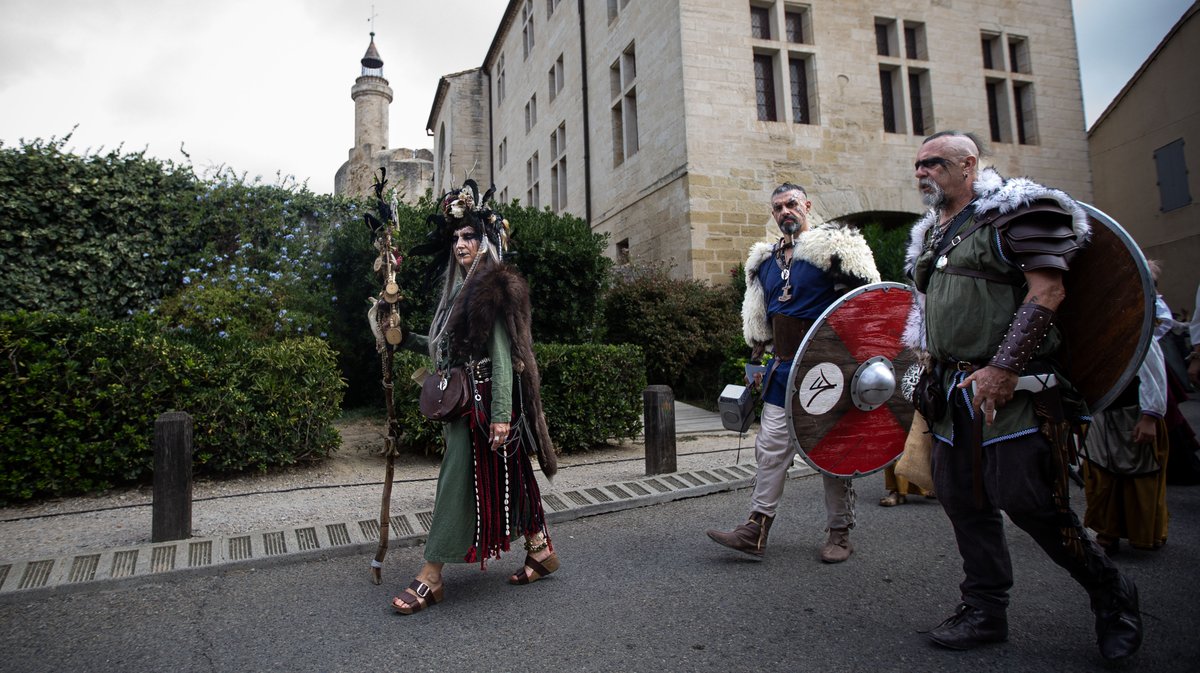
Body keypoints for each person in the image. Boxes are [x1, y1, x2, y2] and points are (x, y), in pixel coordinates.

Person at [902, 131, 1142, 660]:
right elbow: (930, 306)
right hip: (953, 392)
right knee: (962, 500)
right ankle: (985, 609)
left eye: (934, 163)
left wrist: (1004, 367)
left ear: (968, 165)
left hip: (1018, 390)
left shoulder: (1015, 212)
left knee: (1031, 502)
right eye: (918, 165)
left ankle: (1113, 597)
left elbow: (1048, 290)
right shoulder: (933, 233)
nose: (922, 173)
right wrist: (926, 356)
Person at [390, 181, 559, 614]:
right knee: (511, 474)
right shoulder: (454, 293)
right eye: (455, 238)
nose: (460, 243)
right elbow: (439, 344)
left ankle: (431, 574)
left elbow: (504, 356)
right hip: (464, 403)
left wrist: (502, 415)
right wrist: (398, 336)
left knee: (454, 481)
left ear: (485, 241)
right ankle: (540, 547)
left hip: (486, 406)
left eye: (468, 236)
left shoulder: (492, 285)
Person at [706, 183, 880, 563]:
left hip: (828, 369)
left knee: (829, 451)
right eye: (778, 207)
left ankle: (840, 531)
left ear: (807, 206)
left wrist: (861, 367)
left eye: (791, 204)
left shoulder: (834, 248)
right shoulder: (765, 262)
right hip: (782, 368)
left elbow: (867, 305)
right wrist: (755, 360)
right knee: (769, 449)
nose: (785, 211)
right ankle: (756, 528)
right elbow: (759, 319)